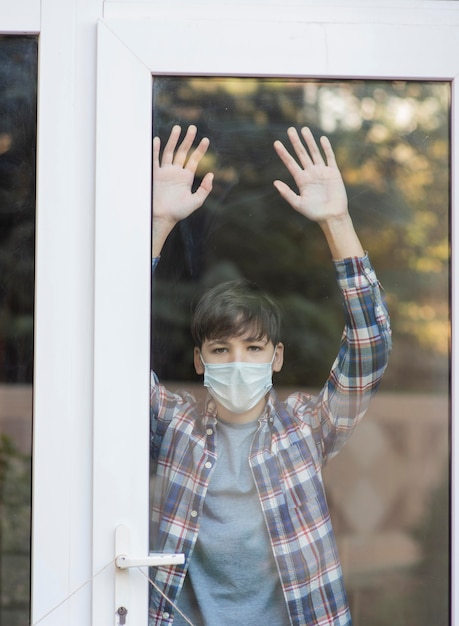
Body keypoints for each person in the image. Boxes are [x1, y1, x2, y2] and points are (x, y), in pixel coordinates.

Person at [149, 124, 391, 626]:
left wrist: (337, 221)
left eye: (253, 347)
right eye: (221, 348)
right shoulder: (173, 430)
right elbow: (108, 349)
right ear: (199, 361)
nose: (238, 361)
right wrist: (158, 223)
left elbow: (370, 347)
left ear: (276, 358)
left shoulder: (308, 428)